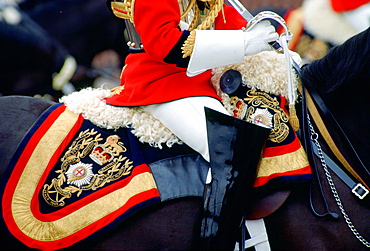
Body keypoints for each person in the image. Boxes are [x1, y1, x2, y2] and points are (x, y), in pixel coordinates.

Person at [105, 0, 278, 163]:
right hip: (162, 82)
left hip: (203, 77)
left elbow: (220, 20)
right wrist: (244, 42)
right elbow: (165, 44)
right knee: (231, 147)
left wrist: (270, 50)